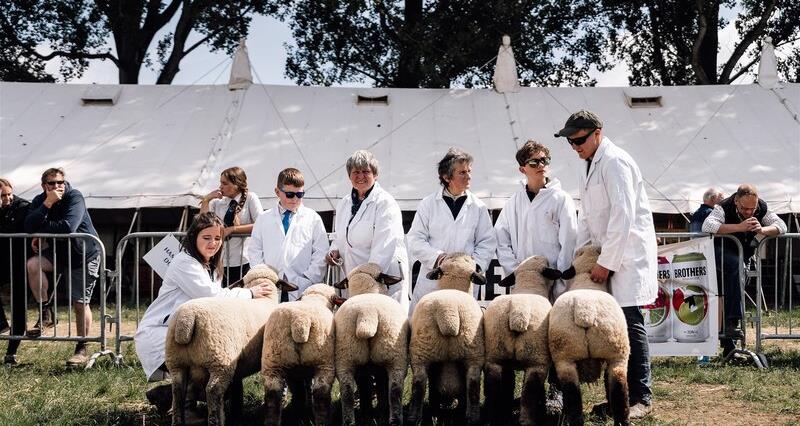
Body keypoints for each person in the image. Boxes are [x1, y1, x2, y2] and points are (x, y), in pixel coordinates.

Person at [555, 110, 657, 419]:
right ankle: (618, 397)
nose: (575, 146)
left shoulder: (615, 163)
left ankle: (641, 398)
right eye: (571, 142)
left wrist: (607, 262)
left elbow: (622, 216)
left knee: (628, 322)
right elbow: (587, 216)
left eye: (580, 140)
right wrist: (585, 256)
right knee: (611, 331)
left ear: (598, 132)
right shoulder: (589, 165)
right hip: (602, 258)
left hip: (624, 258)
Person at [134, 212, 275, 412]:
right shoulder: (184, 263)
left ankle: (167, 395)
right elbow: (211, 297)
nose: (213, 243)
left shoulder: (208, 265)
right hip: (162, 334)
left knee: (224, 379)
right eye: (206, 238)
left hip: (187, 334)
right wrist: (249, 293)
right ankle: (185, 408)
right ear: (194, 238)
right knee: (211, 376)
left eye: (217, 238)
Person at [24, 168, 101, 367]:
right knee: (33, 264)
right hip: (59, 254)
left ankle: (82, 348)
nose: (58, 186)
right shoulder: (39, 199)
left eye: (61, 182)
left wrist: (41, 229)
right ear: (44, 186)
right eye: (52, 183)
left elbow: (69, 226)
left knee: (79, 302)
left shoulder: (75, 196)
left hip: (83, 254)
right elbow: (28, 225)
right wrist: (47, 204)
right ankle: (46, 312)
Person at [406, 148, 496, 313]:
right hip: (433, 280)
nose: (468, 176)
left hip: (465, 281)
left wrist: (473, 266)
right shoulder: (428, 204)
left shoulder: (478, 207)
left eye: (469, 171)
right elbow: (415, 239)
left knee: (462, 326)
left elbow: (487, 241)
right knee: (426, 329)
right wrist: (439, 258)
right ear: (446, 177)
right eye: (462, 172)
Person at [702, 184, 787, 356]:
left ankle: (729, 347)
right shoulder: (722, 207)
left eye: (752, 208)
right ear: (736, 201)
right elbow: (708, 226)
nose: (749, 212)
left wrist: (762, 229)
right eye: (744, 208)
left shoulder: (762, 207)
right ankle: (734, 321)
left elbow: (782, 226)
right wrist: (740, 227)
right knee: (735, 270)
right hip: (722, 253)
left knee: (733, 292)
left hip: (743, 256)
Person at [326, 150, 410, 313]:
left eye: (366, 171)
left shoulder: (385, 203)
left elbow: (384, 245)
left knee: (384, 322)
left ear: (375, 175)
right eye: (356, 172)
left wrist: (366, 278)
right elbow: (340, 235)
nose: (360, 176)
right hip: (355, 277)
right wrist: (334, 250)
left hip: (381, 277)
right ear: (349, 175)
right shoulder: (344, 203)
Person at [495, 140, 577, 299]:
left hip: (553, 284)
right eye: (534, 162)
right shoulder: (513, 202)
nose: (541, 165)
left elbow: (569, 242)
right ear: (522, 169)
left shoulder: (561, 199)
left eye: (544, 160)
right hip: (523, 283)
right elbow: (501, 239)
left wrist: (560, 283)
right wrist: (516, 272)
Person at [248, 168, 329, 301]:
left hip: (302, 285)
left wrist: (308, 278)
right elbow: (254, 250)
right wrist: (264, 276)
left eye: (300, 195)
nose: (295, 199)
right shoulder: (263, 218)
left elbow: (321, 252)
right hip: (270, 284)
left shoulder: (313, 218)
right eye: (290, 194)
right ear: (277, 192)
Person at [200, 166, 263, 285]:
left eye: (224, 183)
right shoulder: (218, 202)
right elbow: (202, 224)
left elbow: (261, 224)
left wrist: (233, 229)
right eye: (220, 183)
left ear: (236, 184)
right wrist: (206, 200)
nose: (220, 187)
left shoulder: (251, 198)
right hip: (220, 261)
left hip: (243, 261)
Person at [0, 178, 30, 365]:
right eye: (3, 196)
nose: (8, 198)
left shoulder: (22, 206)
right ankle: (1, 323)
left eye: (9, 194)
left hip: (19, 262)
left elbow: (13, 228)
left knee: (19, 306)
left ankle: (12, 352)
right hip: (1, 261)